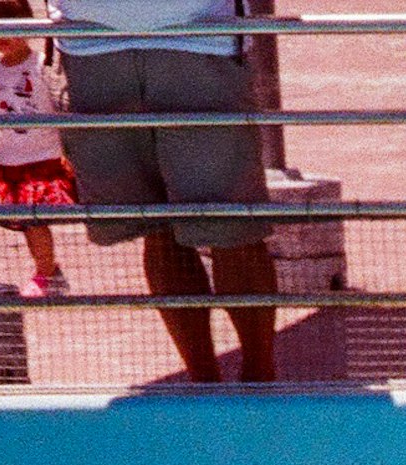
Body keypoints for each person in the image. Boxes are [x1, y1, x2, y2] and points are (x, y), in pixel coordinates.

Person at [61, 0, 279, 381]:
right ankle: (202, 384)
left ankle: (260, 382)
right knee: (156, 227)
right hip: (88, 41)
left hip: (199, 37)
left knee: (234, 230)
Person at [0, 0, 74, 296]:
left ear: (27, 23)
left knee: (34, 220)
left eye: (9, 23)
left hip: (44, 155)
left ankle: (48, 273)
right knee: (28, 222)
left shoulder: (41, 64)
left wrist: (72, 153)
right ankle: (48, 272)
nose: (1, 34)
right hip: (9, 159)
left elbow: (63, 107)